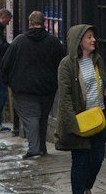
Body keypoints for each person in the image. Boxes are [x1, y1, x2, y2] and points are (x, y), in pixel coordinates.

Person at [53, 24, 106, 194]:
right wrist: (73, 123)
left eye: (93, 36)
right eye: (89, 37)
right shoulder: (66, 65)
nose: (93, 40)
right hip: (81, 120)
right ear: (79, 41)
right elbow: (65, 97)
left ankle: (87, 186)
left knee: (98, 158)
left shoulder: (97, 60)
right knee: (80, 160)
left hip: (99, 117)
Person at [4, 12, 64, 159]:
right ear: (43, 22)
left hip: (24, 88)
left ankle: (34, 149)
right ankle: (41, 147)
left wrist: (9, 81)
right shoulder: (54, 42)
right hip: (47, 88)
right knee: (42, 117)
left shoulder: (19, 41)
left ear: (29, 22)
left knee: (31, 118)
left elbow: (5, 64)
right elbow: (61, 63)